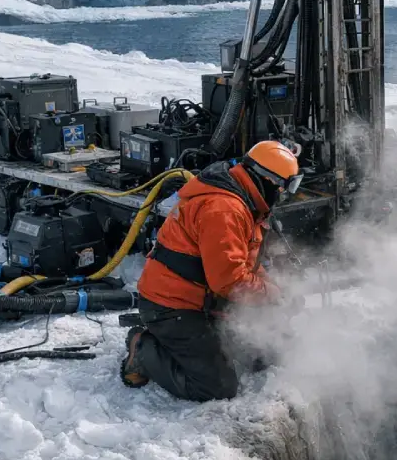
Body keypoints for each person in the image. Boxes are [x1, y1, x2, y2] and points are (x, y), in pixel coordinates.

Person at [120, 140, 302, 401]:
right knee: (217, 387)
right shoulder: (224, 209)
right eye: (285, 186)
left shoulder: (245, 200)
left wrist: (275, 292)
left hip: (203, 298)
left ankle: (188, 340)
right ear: (268, 180)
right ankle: (144, 348)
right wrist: (272, 295)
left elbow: (245, 263)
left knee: (268, 351)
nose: (284, 194)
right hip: (172, 306)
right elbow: (230, 281)